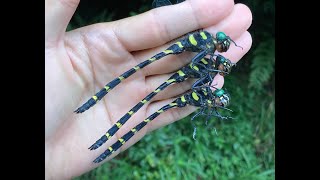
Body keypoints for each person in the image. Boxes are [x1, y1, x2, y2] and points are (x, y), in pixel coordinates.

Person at [45, 0, 252, 179]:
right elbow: (200, 68)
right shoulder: (208, 52)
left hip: (183, 72)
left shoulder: (208, 55)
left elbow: (200, 71)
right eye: (223, 45)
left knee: (146, 102)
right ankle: (102, 132)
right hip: (181, 64)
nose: (223, 48)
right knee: (141, 87)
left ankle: (105, 139)